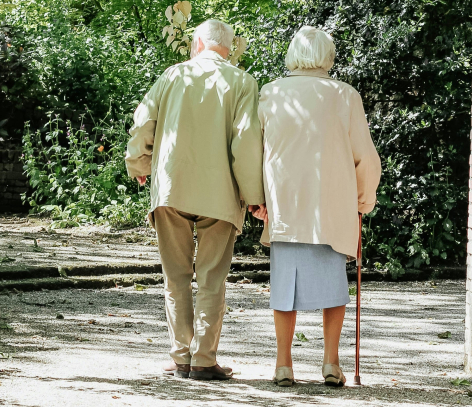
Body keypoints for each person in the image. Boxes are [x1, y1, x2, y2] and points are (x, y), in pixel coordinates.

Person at [125, 19, 266, 381]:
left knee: (175, 277)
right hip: (220, 193)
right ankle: (203, 360)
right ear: (229, 48)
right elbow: (246, 142)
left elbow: (143, 124)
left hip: (172, 188)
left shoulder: (172, 76)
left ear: (197, 43)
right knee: (211, 278)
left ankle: (180, 357)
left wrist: (139, 163)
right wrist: (254, 197)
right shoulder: (242, 82)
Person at [254, 26, 381, 387]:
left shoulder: (271, 93)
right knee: (333, 287)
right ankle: (330, 362)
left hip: (286, 204)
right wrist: (363, 198)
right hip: (331, 205)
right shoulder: (344, 96)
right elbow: (365, 157)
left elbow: (255, 152)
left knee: (283, 287)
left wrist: (256, 199)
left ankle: (283, 364)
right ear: (328, 56)